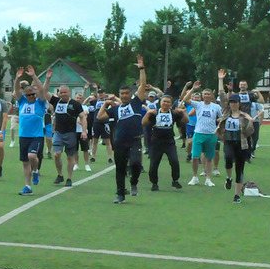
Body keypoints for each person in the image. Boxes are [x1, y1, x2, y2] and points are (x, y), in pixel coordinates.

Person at [98, 55, 148, 204]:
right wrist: (105, 103)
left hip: (134, 140)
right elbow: (100, 117)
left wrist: (141, 68)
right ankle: (120, 194)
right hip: (120, 142)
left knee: (136, 164)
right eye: (122, 94)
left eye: (126, 93)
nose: (124, 96)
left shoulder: (136, 103)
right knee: (120, 169)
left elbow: (143, 85)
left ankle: (134, 182)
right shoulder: (115, 109)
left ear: (130, 95)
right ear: (119, 95)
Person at [14, 66, 50, 196]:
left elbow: (41, 90)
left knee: (32, 156)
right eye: (28, 95)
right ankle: (27, 186)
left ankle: (36, 171)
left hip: (36, 136)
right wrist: (17, 79)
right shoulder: (22, 102)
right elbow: (16, 90)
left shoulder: (39, 103)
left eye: (32, 94)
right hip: (23, 136)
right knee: (25, 162)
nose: (31, 96)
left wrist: (34, 76)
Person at [217, 86, 255, 203]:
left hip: (241, 144)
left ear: (239, 104)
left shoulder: (244, 116)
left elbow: (249, 133)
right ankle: (229, 178)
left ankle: (237, 195)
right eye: (231, 102)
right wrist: (220, 80)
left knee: (239, 168)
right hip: (228, 141)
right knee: (228, 159)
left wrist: (250, 122)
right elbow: (222, 95)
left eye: (235, 102)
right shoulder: (226, 112)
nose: (233, 104)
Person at [180, 80, 222, 186]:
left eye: (208, 94)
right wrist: (193, 89)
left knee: (209, 158)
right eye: (205, 94)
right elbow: (184, 99)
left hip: (211, 135)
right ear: (202, 96)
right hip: (198, 134)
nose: (206, 96)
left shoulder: (216, 107)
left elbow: (221, 117)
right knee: (195, 157)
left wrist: (220, 124)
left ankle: (208, 179)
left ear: (212, 96)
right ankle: (195, 177)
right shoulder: (198, 105)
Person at [143, 94, 186, 191]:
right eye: (164, 101)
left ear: (171, 104)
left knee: (174, 161)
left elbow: (186, 120)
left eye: (168, 102)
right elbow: (144, 123)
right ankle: (154, 183)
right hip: (156, 142)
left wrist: (182, 112)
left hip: (169, 142)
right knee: (154, 164)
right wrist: (148, 113)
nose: (166, 103)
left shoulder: (173, 113)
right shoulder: (155, 113)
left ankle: (175, 180)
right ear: (160, 102)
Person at [51, 84, 86, 187]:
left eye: (65, 92)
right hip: (58, 132)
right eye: (61, 92)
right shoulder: (56, 101)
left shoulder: (75, 104)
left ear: (69, 92)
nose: (63, 94)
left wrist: (84, 131)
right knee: (56, 154)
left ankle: (69, 178)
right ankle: (60, 174)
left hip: (70, 133)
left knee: (70, 157)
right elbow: (43, 91)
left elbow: (83, 117)